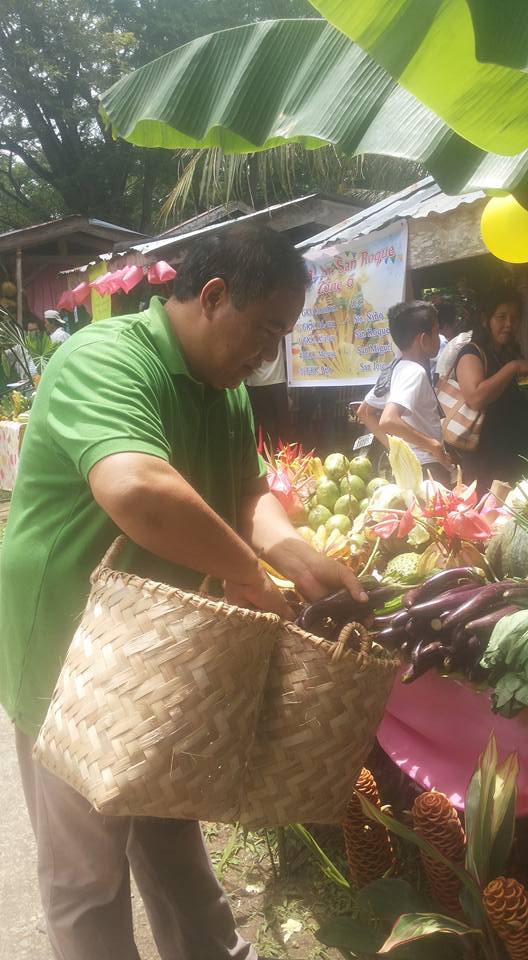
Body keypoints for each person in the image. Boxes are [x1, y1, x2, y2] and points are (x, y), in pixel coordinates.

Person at [0, 224, 366, 960]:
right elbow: (137, 489)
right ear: (212, 296)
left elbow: (246, 493)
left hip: (161, 650)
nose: (270, 353)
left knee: (171, 835)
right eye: (266, 330)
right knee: (87, 877)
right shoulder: (104, 358)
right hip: (69, 650)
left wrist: (296, 556)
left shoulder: (222, 389)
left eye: (282, 336)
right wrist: (245, 575)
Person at [358, 301, 453, 484]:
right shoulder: (414, 372)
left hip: (408, 468)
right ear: (424, 339)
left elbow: (365, 412)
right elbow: (388, 420)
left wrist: (398, 449)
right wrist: (433, 446)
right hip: (427, 470)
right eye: (436, 332)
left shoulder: (395, 368)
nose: (439, 337)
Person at [453, 286, 528, 492]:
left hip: (515, 454)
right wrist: (513, 368)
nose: (509, 324)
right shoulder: (472, 353)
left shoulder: (510, 352)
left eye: (515, 317)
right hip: (486, 462)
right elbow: (475, 397)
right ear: (486, 319)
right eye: (501, 317)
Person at [245, 340, 290, 449]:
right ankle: (284, 456)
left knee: (266, 424)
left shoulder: (249, 331)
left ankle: (270, 455)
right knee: (283, 423)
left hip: (256, 382)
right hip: (277, 380)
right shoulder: (277, 327)